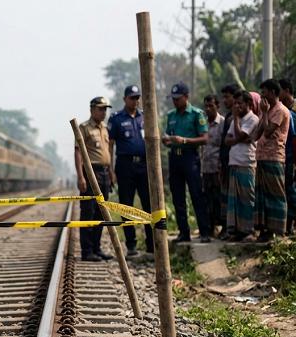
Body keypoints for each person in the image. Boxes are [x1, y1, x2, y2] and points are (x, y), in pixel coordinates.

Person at [162, 82, 211, 243]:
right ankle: (184, 231)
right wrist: (167, 141)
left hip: (190, 157)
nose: (175, 101)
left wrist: (184, 140)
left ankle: (204, 231)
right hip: (174, 158)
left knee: (196, 194)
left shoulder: (197, 114)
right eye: (173, 99)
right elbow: (168, 135)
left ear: (186, 97)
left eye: (178, 98)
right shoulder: (171, 115)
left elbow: (204, 138)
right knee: (178, 196)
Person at [108, 85, 153, 256]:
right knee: (126, 205)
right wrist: (111, 171)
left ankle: (151, 245)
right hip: (125, 165)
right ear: (124, 99)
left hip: (144, 166)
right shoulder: (116, 118)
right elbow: (110, 146)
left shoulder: (145, 117)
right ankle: (131, 245)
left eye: (137, 97)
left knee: (148, 204)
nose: (135, 101)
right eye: (132, 97)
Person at [76, 97, 116, 262]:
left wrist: (112, 172)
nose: (104, 112)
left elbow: (108, 153)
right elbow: (78, 152)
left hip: (105, 173)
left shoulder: (105, 129)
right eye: (100, 109)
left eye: (105, 109)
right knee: (88, 211)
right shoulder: (84, 128)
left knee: (101, 212)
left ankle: (97, 248)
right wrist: (80, 176)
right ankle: (87, 250)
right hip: (90, 173)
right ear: (92, 110)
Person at [253, 79, 290, 243]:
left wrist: (265, 113)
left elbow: (268, 132)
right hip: (261, 157)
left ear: (272, 93)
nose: (262, 97)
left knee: (275, 195)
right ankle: (265, 231)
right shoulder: (265, 111)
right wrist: (263, 113)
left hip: (274, 157)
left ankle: (278, 231)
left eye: (264, 93)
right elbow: (257, 134)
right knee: (262, 195)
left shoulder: (281, 111)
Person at [225, 90, 259, 242]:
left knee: (247, 198)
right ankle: (238, 231)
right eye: (235, 103)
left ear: (249, 104)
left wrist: (237, 121)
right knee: (236, 199)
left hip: (247, 161)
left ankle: (250, 231)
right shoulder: (234, 121)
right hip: (234, 161)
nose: (237, 106)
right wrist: (239, 138)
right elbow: (228, 140)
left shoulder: (253, 119)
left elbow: (239, 135)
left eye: (240, 103)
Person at [218, 83, 242, 240]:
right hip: (226, 161)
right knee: (225, 196)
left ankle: (234, 229)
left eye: (227, 97)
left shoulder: (238, 118)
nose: (224, 100)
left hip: (236, 161)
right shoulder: (227, 117)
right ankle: (226, 227)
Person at [201, 94, 224, 237]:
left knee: (219, 197)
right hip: (205, 167)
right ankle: (210, 227)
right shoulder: (203, 123)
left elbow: (223, 146)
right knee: (207, 198)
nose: (208, 109)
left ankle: (223, 226)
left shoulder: (222, 123)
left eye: (211, 106)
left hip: (217, 167)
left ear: (217, 106)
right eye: (206, 106)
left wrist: (221, 165)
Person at [278, 78, 296, 235]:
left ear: (287, 91)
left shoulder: (292, 111)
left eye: (279, 90)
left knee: (291, 190)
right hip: (286, 156)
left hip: (292, 156)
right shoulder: (283, 110)